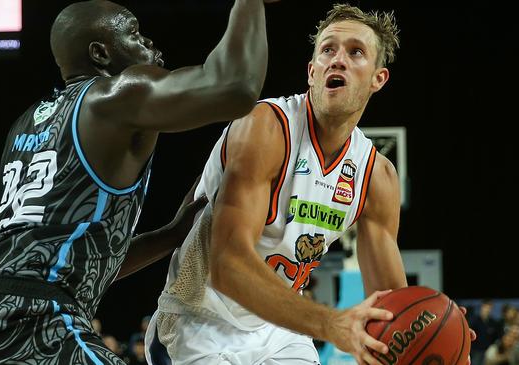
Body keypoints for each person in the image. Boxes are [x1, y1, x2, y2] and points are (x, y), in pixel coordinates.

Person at [0, 0, 277, 364]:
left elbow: (63, 255)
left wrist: (171, 235)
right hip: (27, 317)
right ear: (101, 53)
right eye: (134, 33)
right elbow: (235, 85)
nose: (150, 44)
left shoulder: (26, 124)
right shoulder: (115, 95)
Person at [146, 4, 408, 365]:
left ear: (378, 78)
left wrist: (433, 331)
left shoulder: (377, 176)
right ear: (312, 71)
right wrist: (331, 324)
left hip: (279, 331)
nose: (338, 60)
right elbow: (228, 266)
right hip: (198, 320)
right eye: (327, 49)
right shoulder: (265, 127)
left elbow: (391, 302)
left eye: (356, 52)